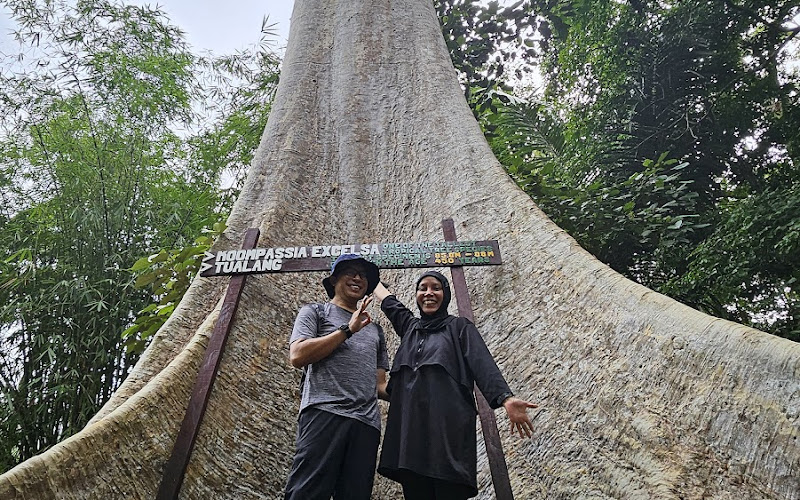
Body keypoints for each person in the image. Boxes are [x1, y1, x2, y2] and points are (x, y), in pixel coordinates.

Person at [372, 271, 537, 500]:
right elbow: (390, 303)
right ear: (417, 295)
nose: (429, 293)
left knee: (447, 490)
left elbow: (482, 363)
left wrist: (505, 398)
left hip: (447, 433)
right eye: (423, 288)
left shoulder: (459, 327)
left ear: (445, 294)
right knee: (416, 490)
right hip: (411, 436)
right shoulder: (410, 327)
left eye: (436, 288)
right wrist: (369, 277)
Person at [284, 254, 390, 500]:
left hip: (366, 425)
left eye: (363, 275)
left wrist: (420, 392)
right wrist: (347, 330)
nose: (357, 278)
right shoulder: (316, 312)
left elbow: (380, 385)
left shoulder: (374, 329)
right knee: (307, 492)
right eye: (350, 272)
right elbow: (297, 355)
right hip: (324, 413)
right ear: (333, 279)